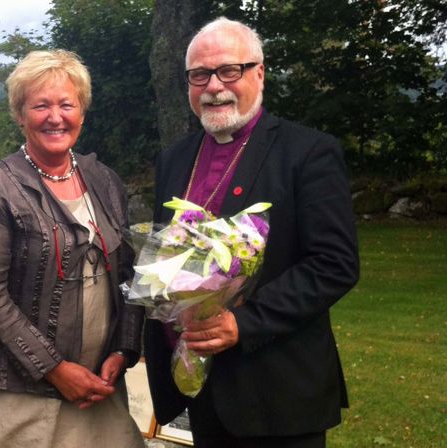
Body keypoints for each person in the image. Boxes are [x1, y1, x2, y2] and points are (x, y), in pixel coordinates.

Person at [144, 17, 360, 448]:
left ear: (258, 73)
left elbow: (335, 264)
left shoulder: (307, 152)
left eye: (229, 70)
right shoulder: (175, 158)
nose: (214, 86)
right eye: (199, 75)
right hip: (202, 392)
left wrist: (244, 323)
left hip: (278, 395)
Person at [0, 50, 145, 448]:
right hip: (25, 396)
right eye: (40, 105)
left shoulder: (105, 180)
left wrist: (124, 349)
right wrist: (55, 369)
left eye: (67, 104)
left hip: (100, 390)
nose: (55, 117)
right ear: (20, 114)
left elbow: (130, 276)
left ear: (82, 112)